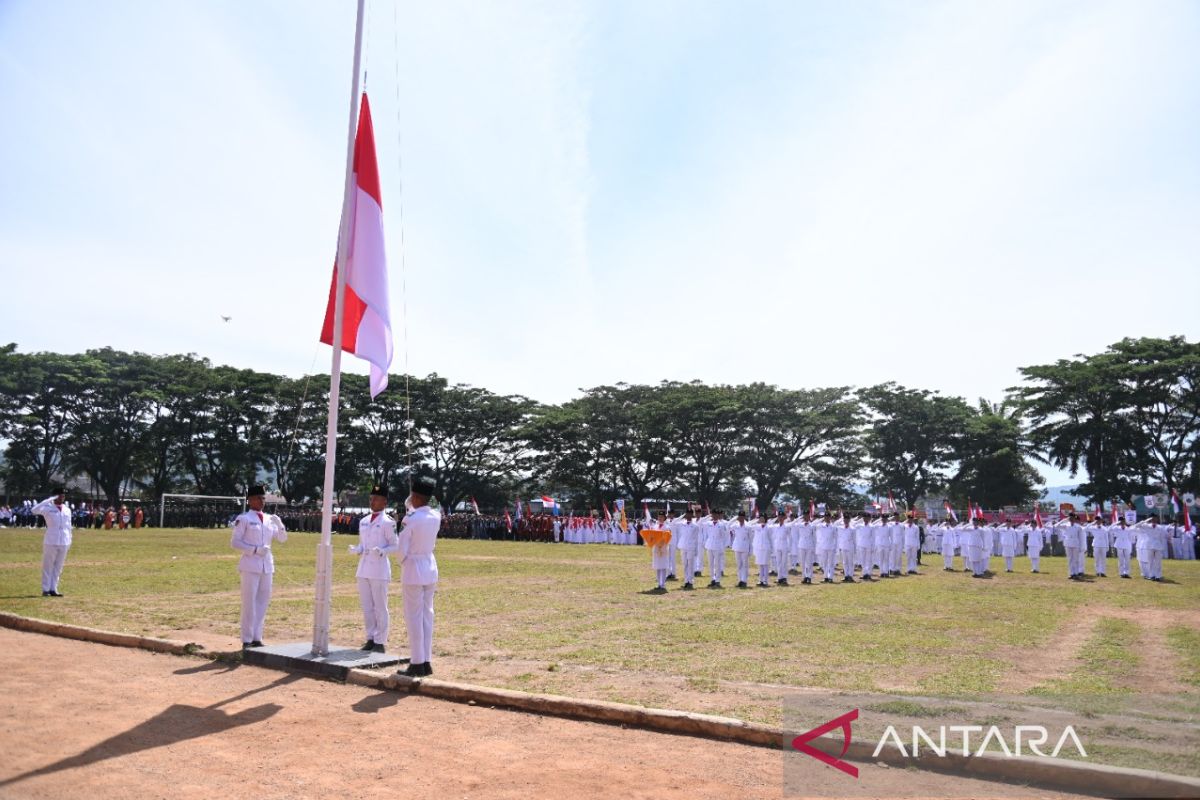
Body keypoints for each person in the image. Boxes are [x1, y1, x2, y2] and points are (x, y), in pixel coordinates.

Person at [230, 485, 288, 649]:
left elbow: (282, 539)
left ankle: (257, 637)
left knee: (263, 602)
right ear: (250, 500)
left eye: (263, 498)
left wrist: (280, 524)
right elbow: (235, 542)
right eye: (258, 498)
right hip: (250, 564)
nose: (262, 501)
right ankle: (247, 639)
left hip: (266, 565)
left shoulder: (270, 519)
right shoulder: (244, 519)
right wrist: (254, 549)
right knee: (249, 602)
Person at [398, 476, 441, 677]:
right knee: (427, 615)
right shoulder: (436, 515)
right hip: (430, 566)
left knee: (413, 617)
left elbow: (401, 548)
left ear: (415, 496)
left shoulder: (410, 519)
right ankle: (426, 661)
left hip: (413, 567)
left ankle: (416, 662)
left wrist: (404, 562)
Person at [350, 484, 400, 652]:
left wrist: (383, 551)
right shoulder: (364, 521)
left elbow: (395, 545)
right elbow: (363, 543)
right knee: (367, 607)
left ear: (385, 502)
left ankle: (380, 641)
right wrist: (358, 549)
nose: (372, 502)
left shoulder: (388, 522)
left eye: (377, 499)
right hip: (363, 568)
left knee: (380, 606)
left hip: (379, 569)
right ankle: (370, 638)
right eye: (371, 498)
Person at [31, 489, 72, 597]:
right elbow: (34, 510)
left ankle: (53, 589)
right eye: (60, 496)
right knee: (48, 565)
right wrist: (48, 500)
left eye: (63, 496)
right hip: (51, 540)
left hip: (64, 541)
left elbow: (68, 526)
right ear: (55, 496)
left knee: (58, 567)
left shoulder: (67, 509)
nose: (62, 498)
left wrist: (70, 539)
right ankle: (45, 589)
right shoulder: (48, 508)